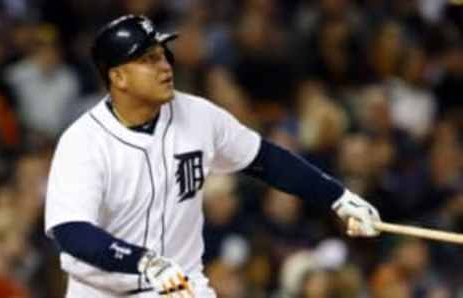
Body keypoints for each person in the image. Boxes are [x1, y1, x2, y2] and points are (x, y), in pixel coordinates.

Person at [44, 14, 381, 298]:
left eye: (163, 54)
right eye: (148, 59)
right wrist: (143, 261)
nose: (164, 66)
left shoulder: (199, 115)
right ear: (118, 77)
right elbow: (72, 232)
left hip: (183, 287)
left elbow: (266, 160)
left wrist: (338, 197)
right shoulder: (83, 142)